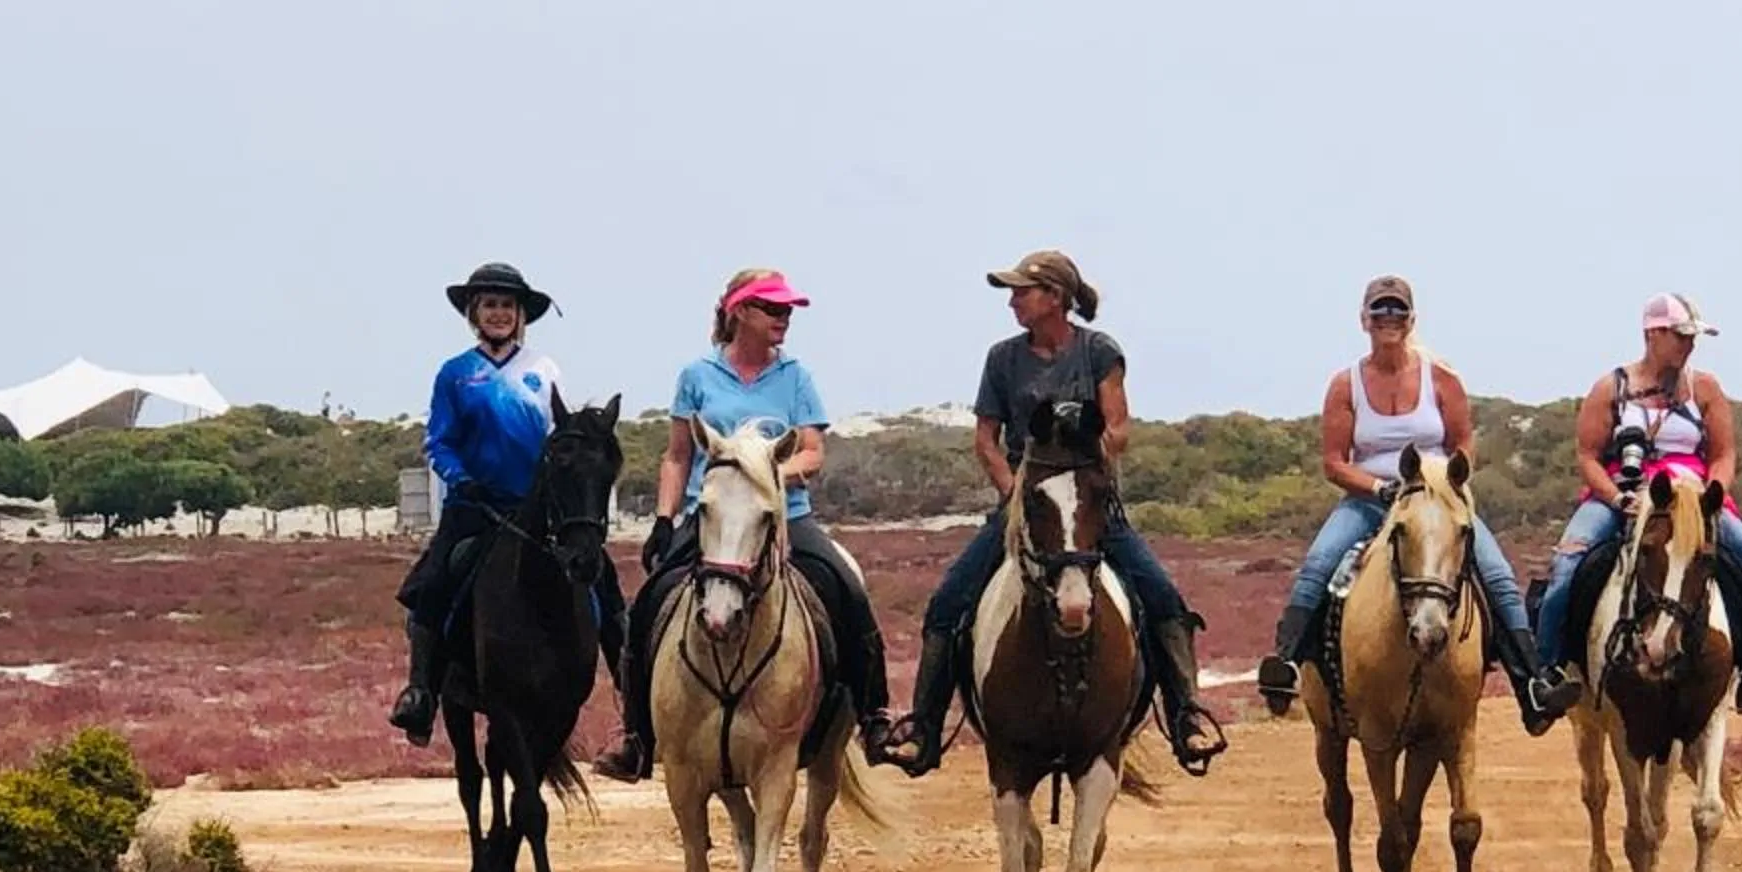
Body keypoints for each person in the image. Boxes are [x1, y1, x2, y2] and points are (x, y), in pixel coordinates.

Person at [882, 250, 1215, 775]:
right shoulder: (1003, 359)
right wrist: (1015, 490)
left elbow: (1119, 427)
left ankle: (1186, 716)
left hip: (1088, 503)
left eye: (1022, 292)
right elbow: (986, 440)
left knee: (1164, 599)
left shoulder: (1098, 352)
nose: (1013, 301)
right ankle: (923, 728)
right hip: (1025, 506)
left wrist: (1087, 464)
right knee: (949, 602)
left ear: (1055, 298)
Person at [594, 268, 900, 781]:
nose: (784, 319)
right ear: (739, 312)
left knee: (847, 590)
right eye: (772, 309)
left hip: (780, 516)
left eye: (787, 311)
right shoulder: (697, 375)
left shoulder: (796, 376)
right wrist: (665, 519)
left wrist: (765, 475)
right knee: (647, 604)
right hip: (710, 517)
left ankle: (873, 717)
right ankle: (638, 736)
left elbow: (812, 451)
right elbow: (676, 456)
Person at [1254, 275, 1583, 732]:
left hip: (1437, 501)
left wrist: (1448, 482)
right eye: (1379, 311)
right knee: (1318, 564)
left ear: (1411, 320)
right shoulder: (1345, 385)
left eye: (1397, 311)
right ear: (1364, 320)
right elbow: (1334, 462)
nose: (1388, 319)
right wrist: (1378, 488)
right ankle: (1287, 666)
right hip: (1372, 499)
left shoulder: (1441, 379)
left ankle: (1532, 685)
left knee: (1499, 577)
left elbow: (1464, 443)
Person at [388, 261, 623, 743]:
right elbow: (439, 441)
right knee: (432, 582)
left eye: (507, 306)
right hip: (475, 505)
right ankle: (420, 693)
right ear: (475, 313)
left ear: (521, 316)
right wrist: (460, 478)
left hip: (535, 506)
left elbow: (559, 439)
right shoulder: (454, 373)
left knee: (605, 584)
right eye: (490, 305)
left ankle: (633, 704)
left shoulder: (544, 370)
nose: (499, 313)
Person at [1532, 294, 1742, 713]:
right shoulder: (1612, 387)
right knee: (1567, 568)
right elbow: (1588, 455)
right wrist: (1616, 497)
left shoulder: (1705, 388)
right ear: (1653, 334)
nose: (1689, 346)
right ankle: (1550, 671)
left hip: (1692, 498)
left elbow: (1724, 453)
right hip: (1621, 495)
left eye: (1691, 338)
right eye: (1681, 337)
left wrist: (1710, 494)